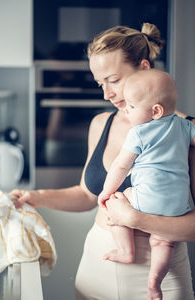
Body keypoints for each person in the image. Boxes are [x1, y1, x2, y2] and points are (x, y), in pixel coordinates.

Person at [11, 23, 195, 300]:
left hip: (161, 278)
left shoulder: (185, 133)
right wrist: (35, 197)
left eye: (114, 80)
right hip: (98, 266)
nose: (106, 94)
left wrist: (135, 219)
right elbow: (88, 194)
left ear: (144, 68)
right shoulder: (102, 123)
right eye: (100, 83)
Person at [98, 68, 195, 299]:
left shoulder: (139, 133)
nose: (127, 111)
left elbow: (120, 166)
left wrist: (106, 192)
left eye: (131, 106)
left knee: (119, 200)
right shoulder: (185, 126)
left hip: (145, 200)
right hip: (178, 206)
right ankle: (155, 279)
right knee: (163, 242)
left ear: (155, 111)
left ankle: (125, 250)